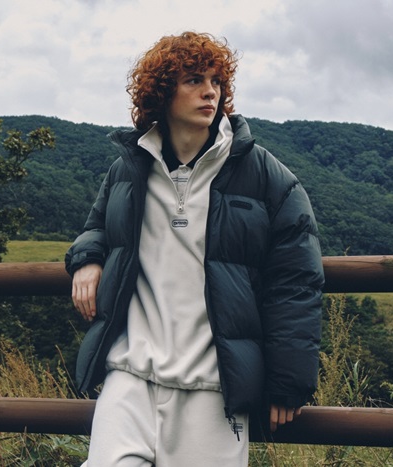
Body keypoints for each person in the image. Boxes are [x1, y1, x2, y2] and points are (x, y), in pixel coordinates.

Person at [65, 31, 324, 467]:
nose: (210, 92)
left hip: (214, 388)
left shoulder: (266, 176)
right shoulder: (130, 168)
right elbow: (97, 226)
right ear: (161, 93)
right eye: (193, 80)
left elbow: (296, 280)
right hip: (129, 376)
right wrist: (87, 259)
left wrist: (288, 381)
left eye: (216, 81)